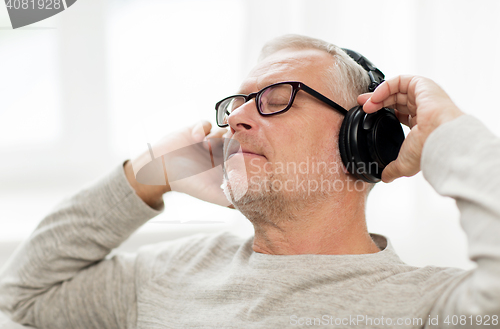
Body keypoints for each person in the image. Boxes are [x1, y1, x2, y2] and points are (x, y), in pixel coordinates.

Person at [0, 34, 498, 328]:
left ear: (361, 140)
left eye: (276, 96)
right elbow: (25, 292)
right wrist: (151, 172)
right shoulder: (172, 273)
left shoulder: (430, 307)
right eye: (235, 104)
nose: (236, 120)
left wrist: (445, 130)